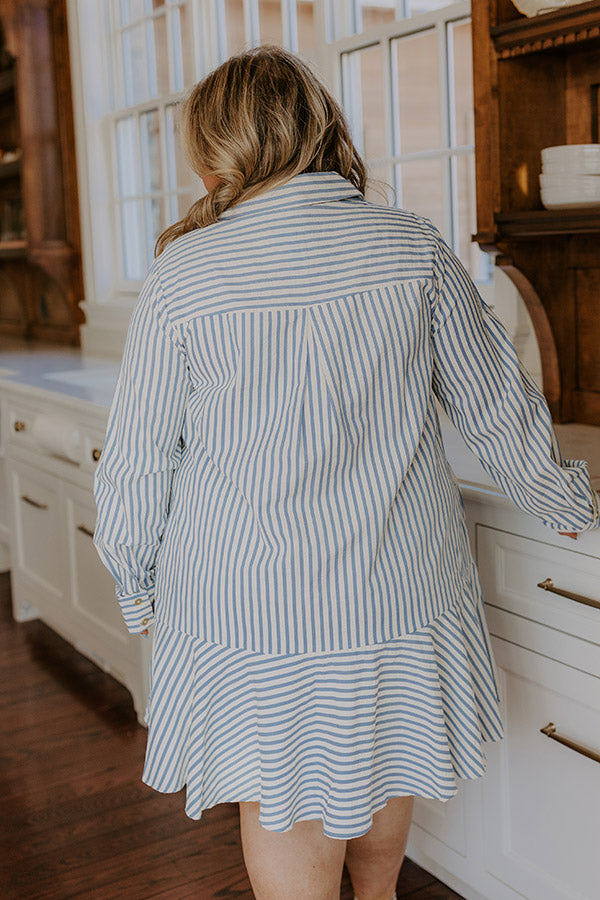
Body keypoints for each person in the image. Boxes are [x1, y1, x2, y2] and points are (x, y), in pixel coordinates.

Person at [92, 45, 599, 900]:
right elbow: (497, 405)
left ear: (217, 148)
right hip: (396, 584)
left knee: (283, 795)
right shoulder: (409, 247)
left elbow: (140, 458)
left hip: (248, 599)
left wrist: (135, 582)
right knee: (383, 751)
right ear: (317, 124)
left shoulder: (187, 272)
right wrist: (560, 499)